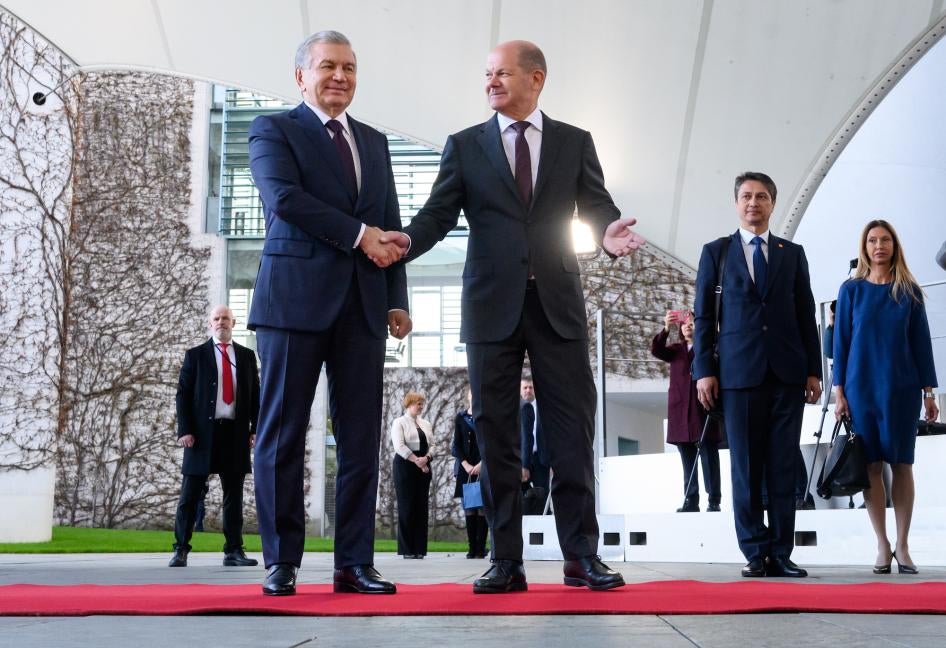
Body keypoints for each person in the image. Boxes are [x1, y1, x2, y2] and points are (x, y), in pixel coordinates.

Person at [383, 40, 644, 593]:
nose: (491, 82)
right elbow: (438, 212)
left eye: (502, 73)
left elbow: (596, 205)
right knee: (497, 436)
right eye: (487, 74)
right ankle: (506, 560)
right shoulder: (465, 145)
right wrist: (408, 240)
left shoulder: (575, 142)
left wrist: (609, 229)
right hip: (489, 308)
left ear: (536, 78)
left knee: (571, 434)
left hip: (557, 305)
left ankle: (581, 557)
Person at [247, 30, 411, 596]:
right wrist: (362, 235)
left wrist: (397, 297)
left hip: (363, 307)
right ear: (301, 76)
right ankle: (280, 561)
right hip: (292, 304)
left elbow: (389, 221)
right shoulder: (274, 129)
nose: (340, 76)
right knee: (283, 435)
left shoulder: (374, 141)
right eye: (327, 67)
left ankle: (354, 563)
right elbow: (285, 200)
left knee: (362, 438)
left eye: (349, 67)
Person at [693, 171, 822, 579]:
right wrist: (703, 372)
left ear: (772, 204)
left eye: (762, 196)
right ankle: (754, 551)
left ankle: (782, 553)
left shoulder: (791, 253)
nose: (754, 203)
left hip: (787, 373)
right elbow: (702, 317)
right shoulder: (715, 252)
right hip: (738, 374)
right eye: (747, 196)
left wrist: (814, 371)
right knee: (745, 468)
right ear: (736, 203)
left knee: (783, 465)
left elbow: (806, 313)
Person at [833, 219, 938, 574]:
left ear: (894, 246)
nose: (879, 246)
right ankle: (882, 545)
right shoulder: (850, 291)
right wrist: (839, 391)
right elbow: (841, 343)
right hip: (860, 388)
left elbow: (922, 345)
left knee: (902, 464)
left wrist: (929, 390)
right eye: (873, 240)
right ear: (864, 247)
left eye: (885, 240)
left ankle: (904, 546)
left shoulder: (909, 291)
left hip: (902, 388)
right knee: (871, 466)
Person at [169, 304, 259, 568]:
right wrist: (184, 430)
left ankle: (233, 551)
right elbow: (182, 394)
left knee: (234, 497)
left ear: (234, 323)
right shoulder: (195, 356)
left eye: (226, 319)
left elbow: (255, 396)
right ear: (210, 324)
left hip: (235, 435)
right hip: (201, 436)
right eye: (217, 319)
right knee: (190, 495)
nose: (222, 322)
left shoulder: (245, 356)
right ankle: (180, 549)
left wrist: (255, 429)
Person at [651, 310, 722, 513]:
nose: (688, 326)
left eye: (692, 323)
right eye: (685, 324)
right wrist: (666, 328)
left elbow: (719, 347)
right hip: (681, 412)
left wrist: (711, 330)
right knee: (687, 459)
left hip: (703, 409)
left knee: (709, 456)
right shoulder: (675, 350)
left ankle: (714, 500)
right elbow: (656, 349)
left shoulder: (708, 348)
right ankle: (691, 500)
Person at [389, 391, 434, 559]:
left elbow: (434, 445)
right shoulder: (399, 422)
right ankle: (407, 550)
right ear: (408, 404)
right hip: (406, 466)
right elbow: (399, 446)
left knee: (421, 507)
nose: (420, 406)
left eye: (422, 403)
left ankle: (419, 549)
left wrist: (427, 458)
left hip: (424, 466)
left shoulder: (426, 424)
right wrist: (418, 461)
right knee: (407, 507)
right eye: (417, 403)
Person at [453, 385, 488, 558]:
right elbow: (456, 445)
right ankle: (471, 548)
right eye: (471, 393)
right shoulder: (460, 418)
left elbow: (491, 442)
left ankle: (481, 548)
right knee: (469, 508)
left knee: (481, 507)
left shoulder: (486, 416)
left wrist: (483, 463)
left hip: (483, 466)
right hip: (465, 468)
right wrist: (465, 464)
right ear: (467, 395)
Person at [519, 376, 550, 504]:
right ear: (520, 390)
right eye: (525, 388)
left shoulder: (545, 408)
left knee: (542, 497)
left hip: (541, 459)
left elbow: (551, 435)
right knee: (521, 498)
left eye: (531, 387)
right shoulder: (517, 408)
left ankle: (543, 524)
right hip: (521, 459)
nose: (528, 390)